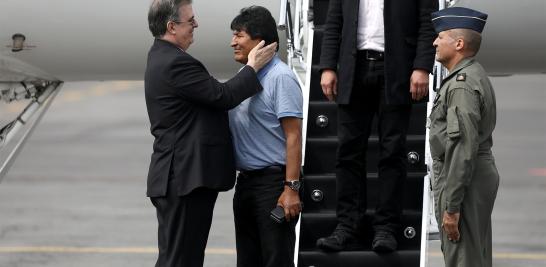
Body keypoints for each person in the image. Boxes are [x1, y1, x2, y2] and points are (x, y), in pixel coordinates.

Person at [144, 1, 276, 266]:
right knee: (181, 259)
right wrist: (252, 67)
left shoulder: (162, 56)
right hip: (184, 178)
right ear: (172, 26)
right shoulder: (176, 63)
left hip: (179, 177)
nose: (196, 25)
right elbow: (223, 96)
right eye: (190, 20)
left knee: (183, 257)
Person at [315, 0, 438, 252]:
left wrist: (422, 66)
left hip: (396, 68)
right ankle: (348, 226)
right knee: (348, 152)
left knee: (392, 151)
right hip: (354, 67)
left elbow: (429, 22)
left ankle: (386, 227)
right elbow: (334, 23)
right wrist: (327, 66)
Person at [227, 6, 304, 267]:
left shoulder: (280, 78)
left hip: (273, 186)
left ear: (260, 41)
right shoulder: (244, 75)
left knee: (276, 261)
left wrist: (291, 189)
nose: (232, 42)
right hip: (246, 185)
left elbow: (294, 136)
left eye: (239, 35)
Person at [429, 7, 499, 267]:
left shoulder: (461, 86)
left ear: (458, 44)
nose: (435, 41)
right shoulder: (472, 73)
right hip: (473, 177)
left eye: (441, 36)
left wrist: (452, 207)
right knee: (473, 257)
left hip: (463, 182)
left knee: (463, 260)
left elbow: (462, 148)